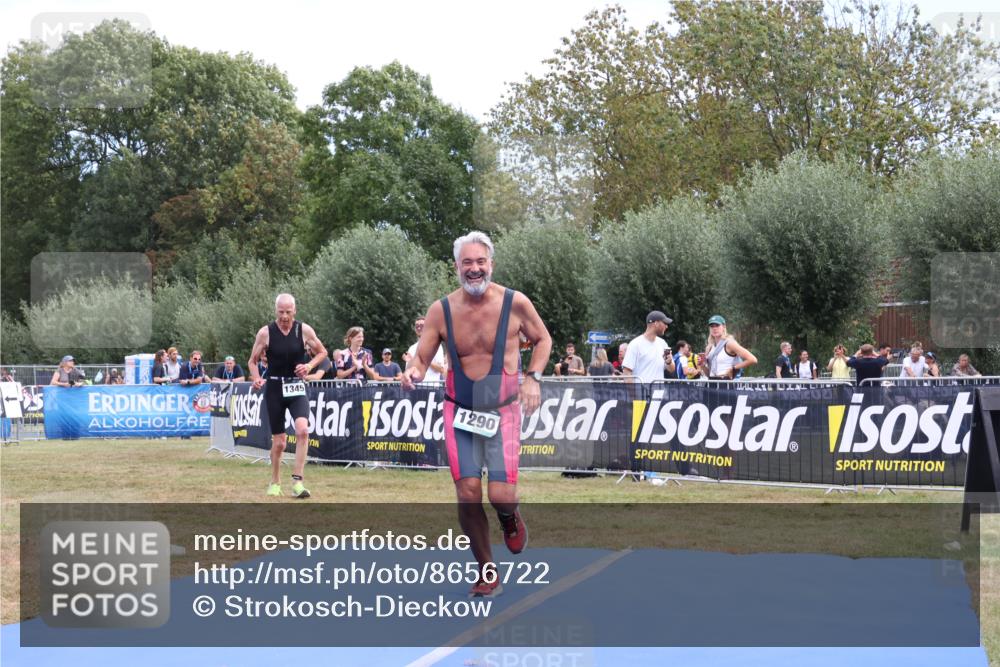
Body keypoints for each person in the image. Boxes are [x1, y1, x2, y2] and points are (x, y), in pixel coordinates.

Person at [402, 231, 551, 598]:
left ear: (491, 264)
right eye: (467, 263)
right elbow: (422, 358)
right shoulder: (442, 310)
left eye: (480, 262)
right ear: (456, 267)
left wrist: (532, 378)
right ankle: (487, 570)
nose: (474, 269)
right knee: (468, 493)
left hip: (502, 411)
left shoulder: (515, 303)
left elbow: (543, 339)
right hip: (460, 410)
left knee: (500, 494)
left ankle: (509, 517)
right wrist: (414, 373)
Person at [249, 293, 328, 499]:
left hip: (296, 387)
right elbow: (252, 361)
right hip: (275, 388)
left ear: (295, 310)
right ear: (276, 311)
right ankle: (275, 481)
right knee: (280, 442)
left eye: (288, 311)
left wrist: (309, 365)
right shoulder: (265, 333)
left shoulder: (304, 330)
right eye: (281, 312)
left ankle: (298, 482)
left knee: (303, 431)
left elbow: (322, 352)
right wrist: (257, 378)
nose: (284, 316)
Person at [622, 311, 676, 382]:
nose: (666, 326)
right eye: (664, 323)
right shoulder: (635, 344)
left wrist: (669, 362)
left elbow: (671, 369)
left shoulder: (663, 343)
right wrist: (633, 393)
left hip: (659, 392)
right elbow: (627, 373)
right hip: (641, 392)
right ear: (656, 323)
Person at [698, 315, 757, 380]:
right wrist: (702, 365)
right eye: (712, 326)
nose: (714, 328)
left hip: (725, 383)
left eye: (717, 325)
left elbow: (753, 359)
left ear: (724, 327)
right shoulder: (709, 347)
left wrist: (734, 368)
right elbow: (709, 374)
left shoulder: (730, 343)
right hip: (712, 383)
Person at [405, 317, 447, 382]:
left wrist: (426, 360)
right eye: (417, 326)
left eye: (422, 326)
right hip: (415, 387)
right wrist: (411, 361)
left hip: (431, 386)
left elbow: (441, 369)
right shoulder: (411, 348)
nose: (419, 328)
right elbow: (407, 371)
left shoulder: (436, 346)